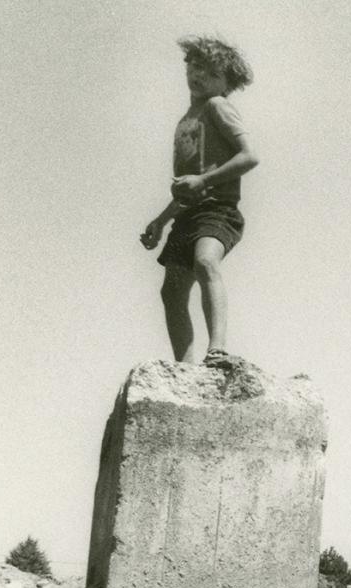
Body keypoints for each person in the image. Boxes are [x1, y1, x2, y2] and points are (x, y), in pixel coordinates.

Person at [139, 36, 259, 366]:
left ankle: (217, 348)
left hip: (219, 209)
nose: (198, 74)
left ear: (226, 81)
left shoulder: (216, 107)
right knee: (172, 290)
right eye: (193, 65)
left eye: (209, 70)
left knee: (206, 261)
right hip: (188, 214)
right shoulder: (185, 121)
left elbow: (250, 156)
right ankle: (185, 367)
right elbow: (186, 188)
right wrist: (161, 221)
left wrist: (204, 181)